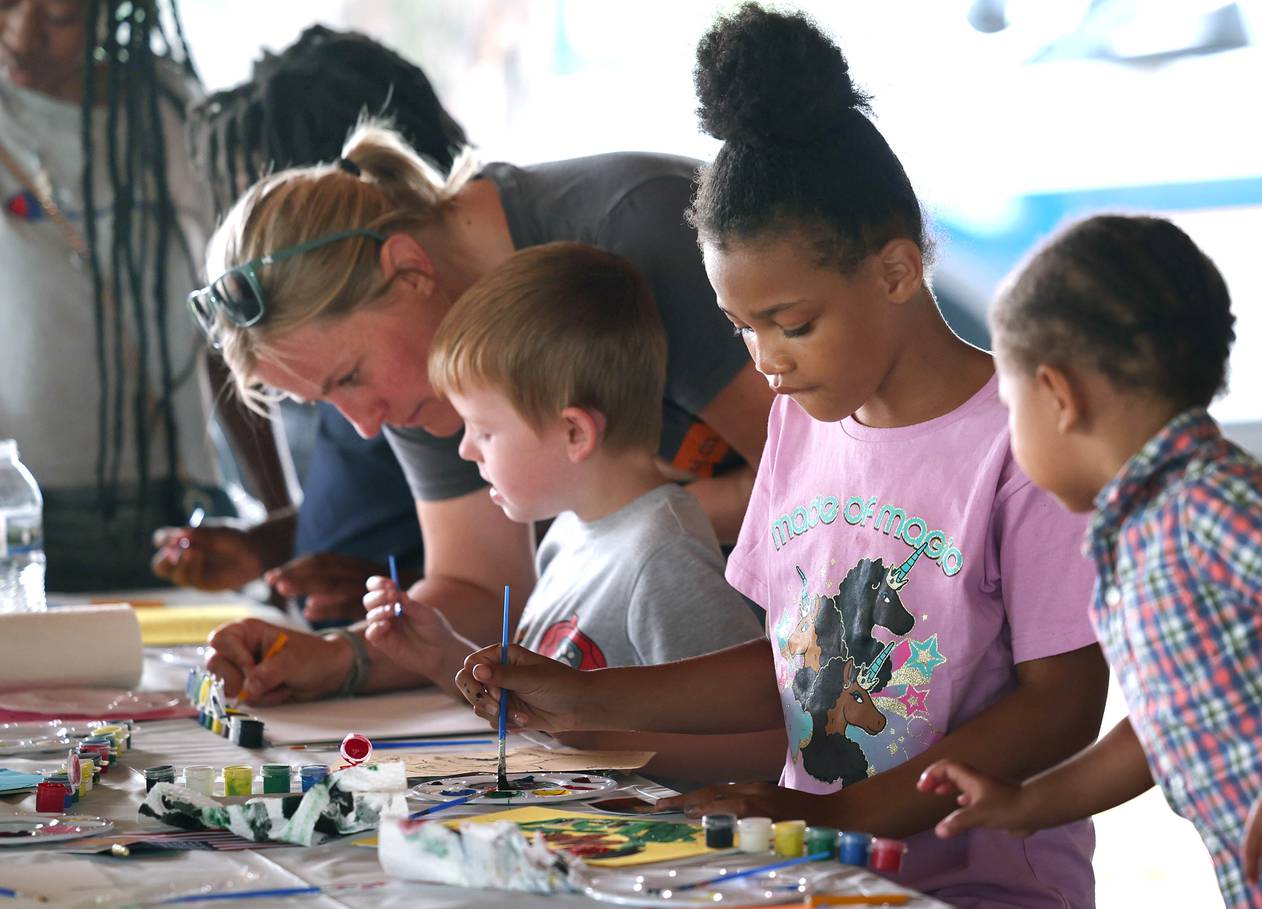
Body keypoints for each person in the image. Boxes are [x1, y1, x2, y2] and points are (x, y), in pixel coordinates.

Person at [454, 4, 1109, 909]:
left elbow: (1064, 702)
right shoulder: (804, 426)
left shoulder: (1018, 444)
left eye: (792, 323)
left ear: (895, 270)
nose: (767, 360)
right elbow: (793, 665)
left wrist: (848, 817)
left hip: (982, 903)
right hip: (813, 873)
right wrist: (587, 699)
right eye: (742, 327)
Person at [916, 214, 1262, 909]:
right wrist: (1031, 801)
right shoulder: (1141, 537)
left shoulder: (1207, 500)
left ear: (1058, 396)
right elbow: (1163, 727)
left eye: (1010, 406)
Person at [197, 119, 773, 702]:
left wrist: (620, 516)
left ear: (409, 270)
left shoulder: (641, 230)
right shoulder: (424, 354)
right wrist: (337, 655)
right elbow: (478, 582)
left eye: (349, 377)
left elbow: (820, 488)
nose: (366, 423)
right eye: (325, 401)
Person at [362, 241, 780, 781]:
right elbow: (535, 717)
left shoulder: (663, 556)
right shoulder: (567, 533)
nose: (465, 450)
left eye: (484, 431)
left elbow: (759, 750)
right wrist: (444, 655)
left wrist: (587, 737)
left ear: (574, 432)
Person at [153, 25, 469, 624]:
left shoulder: (422, 333)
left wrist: (406, 595)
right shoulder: (337, 343)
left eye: (275, 193)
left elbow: (526, 527)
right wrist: (267, 545)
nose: (256, 230)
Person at [0, 0, 240, 591]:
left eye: (58, 18)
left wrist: (286, 517)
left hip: (173, 507)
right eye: (4, 5)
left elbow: (226, 316)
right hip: (17, 505)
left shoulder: (167, 113)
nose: (21, 36)